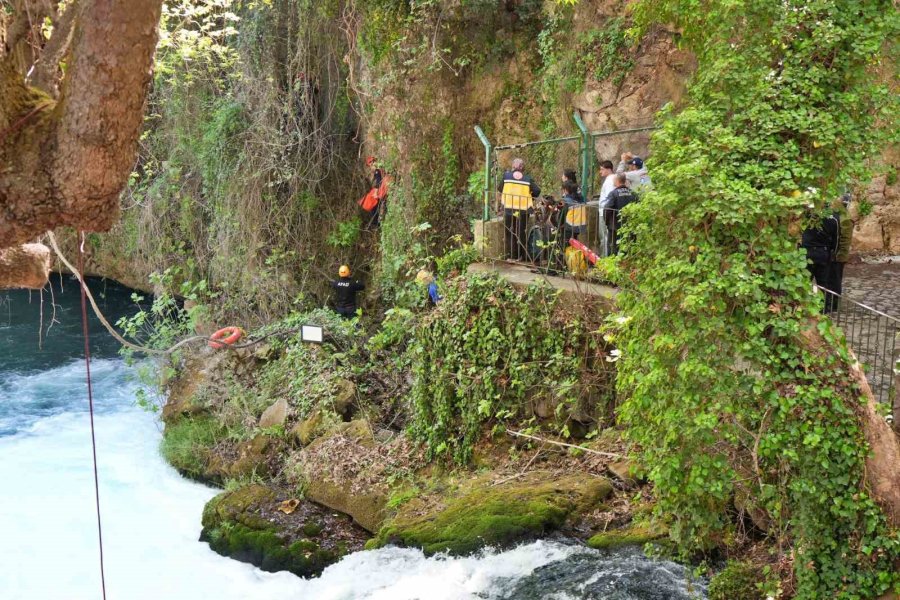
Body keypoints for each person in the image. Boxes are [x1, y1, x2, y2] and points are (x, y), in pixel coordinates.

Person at [498, 157, 541, 260]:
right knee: (521, 232)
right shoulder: (527, 179)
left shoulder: (506, 176)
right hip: (523, 210)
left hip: (508, 208)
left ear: (513, 167)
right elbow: (537, 191)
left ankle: (512, 256)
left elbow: (500, 188)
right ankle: (522, 256)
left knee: (510, 233)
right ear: (522, 168)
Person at [800, 210, 839, 313]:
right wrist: (832, 253)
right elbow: (835, 240)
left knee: (805, 282)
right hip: (823, 253)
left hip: (807, 252)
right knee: (823, 283)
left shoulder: (806, 216)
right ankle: (824, 308)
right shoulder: (832, 219)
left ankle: (803, 306)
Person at [827, 193, 852, 312]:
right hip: (836, 254)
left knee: (835, 280)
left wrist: (838, 254)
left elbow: (843, 239)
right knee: (833, 279)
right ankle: (831, 303)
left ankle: (834, 304)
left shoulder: (842, 217)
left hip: (837, 255)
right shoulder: (842, 215)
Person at [603, 173, 638, 256]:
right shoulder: (633, 193)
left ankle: (612, 266)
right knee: (629, 248)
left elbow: (607, 209)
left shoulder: (613, 194)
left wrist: (607, 222)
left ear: (617, 181)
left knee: (612, 249)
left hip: (615, 226)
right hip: (630, 226)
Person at [558, 180, 587, 268]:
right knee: (572, 247)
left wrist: (559, 225)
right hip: (578, 228)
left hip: (568, 227)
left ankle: (560, 266)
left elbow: (561, 217)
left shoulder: (566, 201)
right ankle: (571, 265)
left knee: (562, 247)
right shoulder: (580, 199)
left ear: (565, 190)